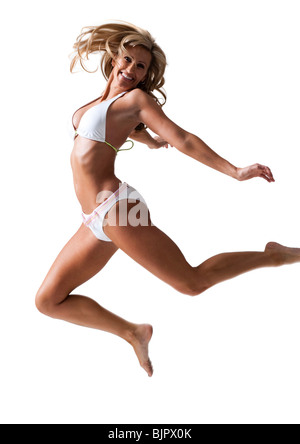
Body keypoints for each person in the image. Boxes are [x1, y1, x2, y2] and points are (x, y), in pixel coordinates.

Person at [35, 21, 300, 377]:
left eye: (140, 66)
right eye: (127, 60)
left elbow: (184, 139)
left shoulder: (137, 100)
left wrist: (235, 171)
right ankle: (132, 333)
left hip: (117, 209)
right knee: (48, 301)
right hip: (93, 218)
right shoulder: (104, 104)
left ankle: (274, 255)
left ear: (147, 75)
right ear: (116, 58)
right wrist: (147, 140)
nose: (131, 70)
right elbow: (112, 128)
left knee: (190, 283)